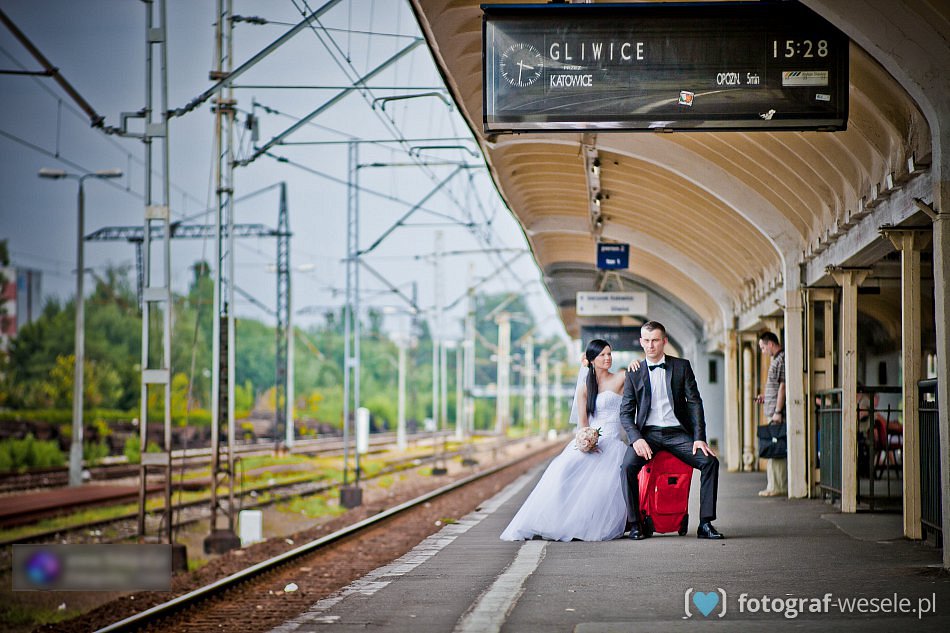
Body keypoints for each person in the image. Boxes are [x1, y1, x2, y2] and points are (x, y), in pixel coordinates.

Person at [501, 339, 629, 541]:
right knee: (562, 469)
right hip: (591, 441)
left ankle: (590, 524)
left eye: (609, 354)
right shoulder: (585, 388)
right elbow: (583, 423)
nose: (607, 358)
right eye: (602, 355)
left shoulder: (621, 377)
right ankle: (552, 522)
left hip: (613, 442)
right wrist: (586, 441)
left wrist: (635, 364)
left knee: (604, 481)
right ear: (591, 360)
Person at [620, 321, 724, 540]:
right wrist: (636, 438)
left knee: (710, 462)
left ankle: (705, 523)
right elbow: (626, 413)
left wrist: (699, 438)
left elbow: (694, 403)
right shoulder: (634, 372)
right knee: (627, 467)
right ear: (641, 342)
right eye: (647, 341)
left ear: (664, 341)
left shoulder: (681, 366)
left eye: (655, 340)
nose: (651, 345)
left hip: (677, 433)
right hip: (647, 435)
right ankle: (636, 524)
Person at [756, 331, 787, 496]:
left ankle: (778, 487)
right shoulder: (777, 359)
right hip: (773, 409)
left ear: (770, 344)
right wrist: (766, 397)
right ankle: (773, 485)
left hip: (777, 413)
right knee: (772, 449)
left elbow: (783, 387)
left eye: (763, 348)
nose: (763, 351)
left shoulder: (781, 359)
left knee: (776, 450)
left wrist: (778, 411)